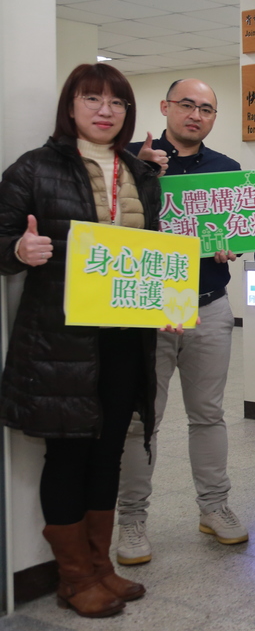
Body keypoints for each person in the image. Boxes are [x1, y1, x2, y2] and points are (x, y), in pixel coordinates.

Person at [0, 63, 162, 618]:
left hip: (125, 339)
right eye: (92, 99)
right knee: (68, 453)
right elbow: (1, 238)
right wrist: (20, 253)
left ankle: (101, 566)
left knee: (109, 451)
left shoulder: (140, 174)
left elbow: (153, 257)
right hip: (60, 340)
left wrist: (167, 303)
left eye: (116, 102)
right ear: (71, 107)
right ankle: (73, 576)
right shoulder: (34, 169)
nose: (104, 110)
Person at [115, 78, 246, 565]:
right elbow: (108, 225)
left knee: (209, 414)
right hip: (150, 304)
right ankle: (131, 519)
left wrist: (234, 247)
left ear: (214, 118)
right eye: (187, 104)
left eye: (207, 108)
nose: (196, 114)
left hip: (209, 303)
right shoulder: (129, 157)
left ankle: (214, 507)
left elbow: (237, 232)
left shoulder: (225, 170)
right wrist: (139, 172)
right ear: (166, 106)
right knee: (140, 419)